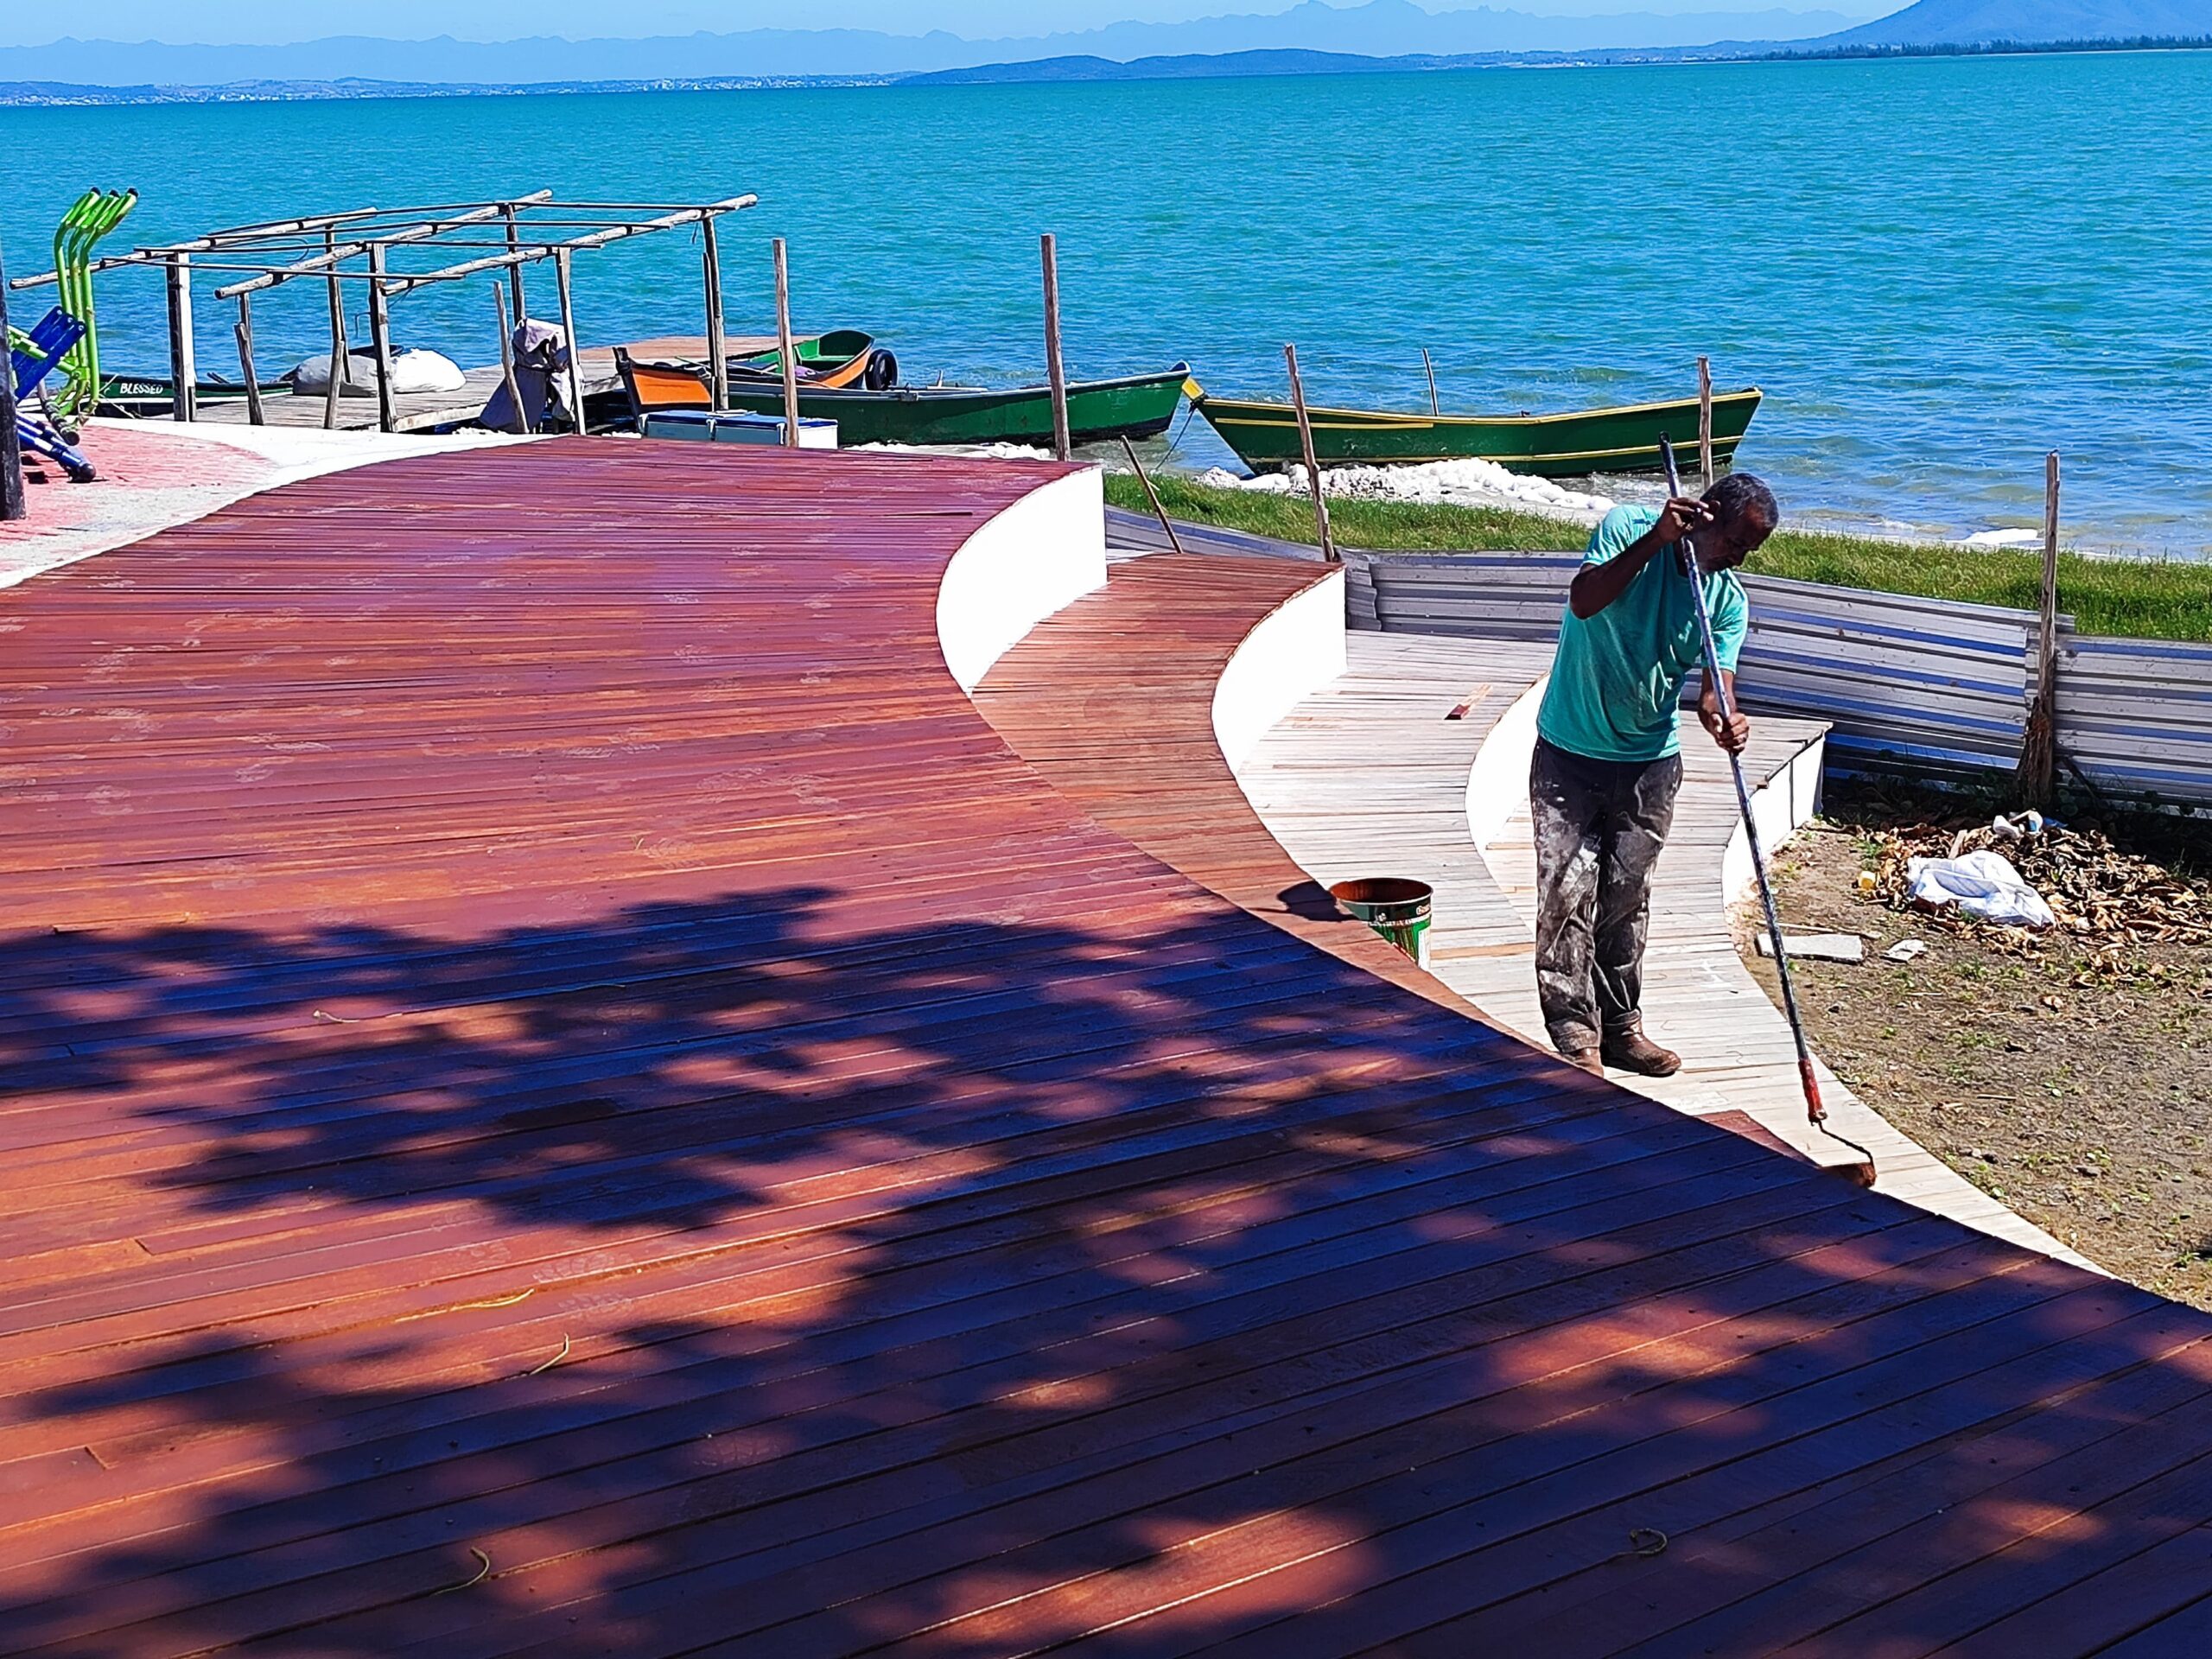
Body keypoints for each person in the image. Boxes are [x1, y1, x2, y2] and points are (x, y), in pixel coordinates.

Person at [1529, 472, 1779, 1077]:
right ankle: (1574, 1033)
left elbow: (1715, 692)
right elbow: (1584, 599)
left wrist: (1728, 719)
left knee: (1626, 899)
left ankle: (1620, 1027)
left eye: (1749, 552)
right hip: (1571, 749)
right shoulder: (1628, 529)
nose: (1737, 558)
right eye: (1734, 543)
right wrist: (1657, 542)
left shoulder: (1726, 599)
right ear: (1706, 513)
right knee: (1566, 894)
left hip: (1649, 765)